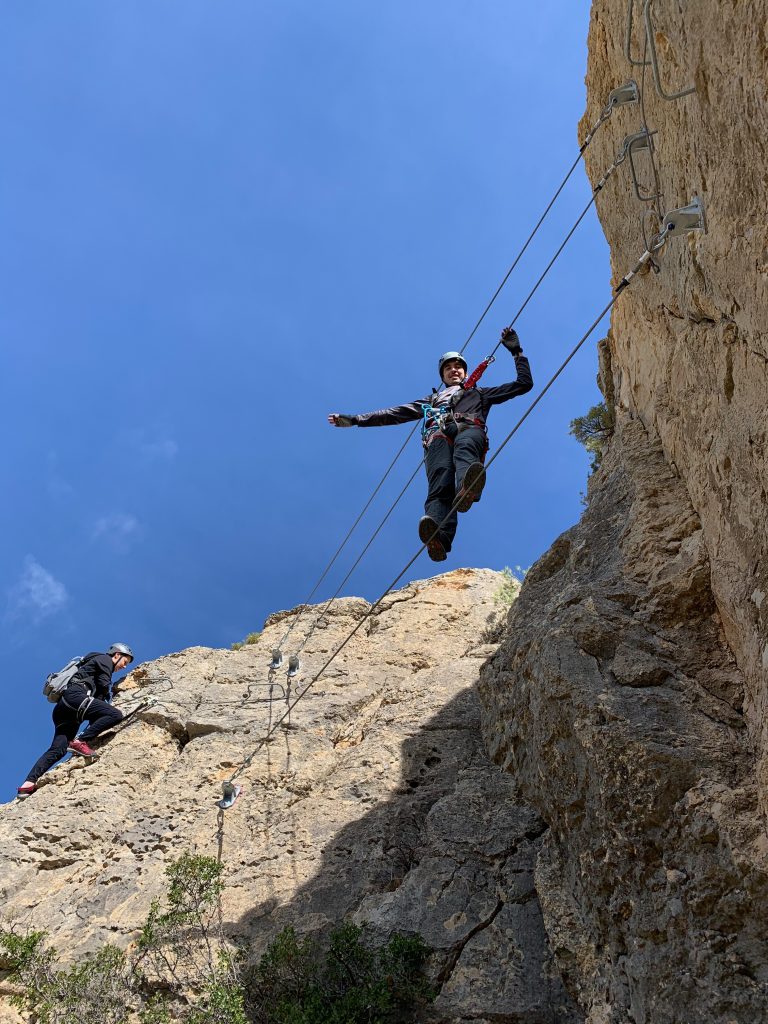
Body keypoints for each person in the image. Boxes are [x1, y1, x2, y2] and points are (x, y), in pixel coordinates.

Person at [329, 327, 532, 561]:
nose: (453, 370)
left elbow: (524, 384)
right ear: (442, 376)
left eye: (458, 367)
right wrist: (356, 419)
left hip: (469, 428)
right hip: (437, 437)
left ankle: (467, 487)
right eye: (448, 368)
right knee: (439, 482)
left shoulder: (480, 394)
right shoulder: (432, 401)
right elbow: (394, 413)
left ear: (465, 372)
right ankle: (439, 537)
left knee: (465, 448)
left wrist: (516, 352)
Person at [17, 643, 134, 799]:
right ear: (117, 655)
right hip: (76, 698)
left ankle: (27, 784)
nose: (124, 666)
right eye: (125, 662)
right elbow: (104, 684)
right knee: (115, 715)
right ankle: (80, 742)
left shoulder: (91, 662)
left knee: (58, 749)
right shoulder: (104, 659)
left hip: (63, 708)